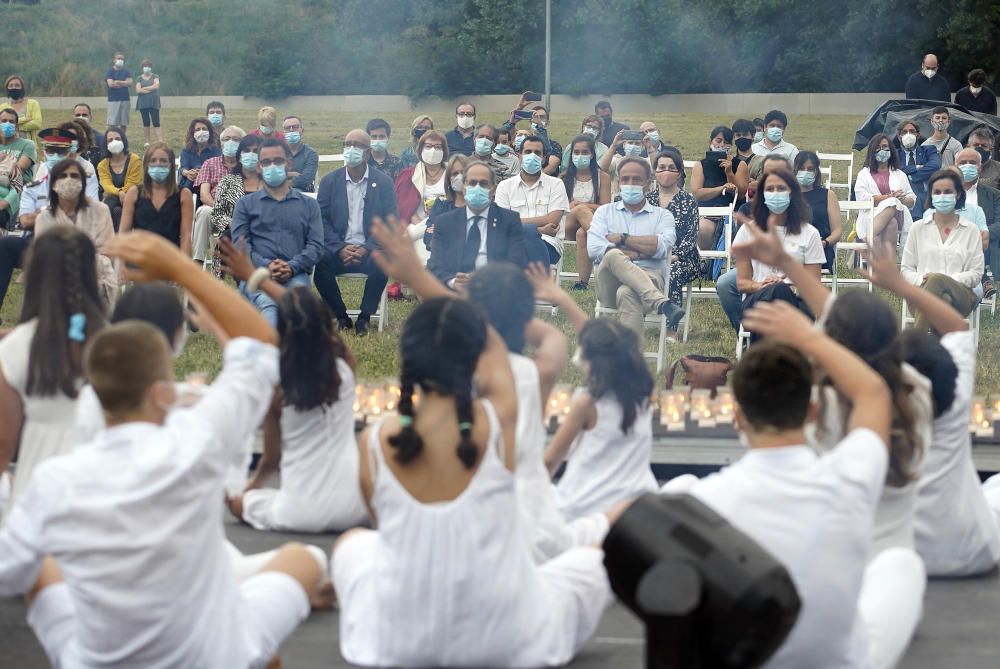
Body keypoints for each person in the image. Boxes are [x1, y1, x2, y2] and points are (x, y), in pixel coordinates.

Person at [0, 230, 327, 668]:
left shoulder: (54, 481)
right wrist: (181, 268)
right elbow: (261, 346)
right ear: (161, 392)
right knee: (304, 560)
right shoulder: (197, 441)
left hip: (95, 658)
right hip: (211, 653)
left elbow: (11, 571)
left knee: (43, 570)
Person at [331, 222, 611, 667]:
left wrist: (432, 286)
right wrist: (513, 305)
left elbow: (384, 526)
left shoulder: (376, 440)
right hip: (509, 605)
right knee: (591, 566)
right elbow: (515, 344)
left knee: (352, 547)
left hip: (401, 636)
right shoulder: (499, 413)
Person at [661, 301, 925, 669]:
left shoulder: (699, 502)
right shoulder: (850, 477)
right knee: (902, 565)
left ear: (737, 417)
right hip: (840, 660)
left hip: (741, 653)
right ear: (812, 411)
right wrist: (809, 337)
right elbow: (873, 392)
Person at [736, 227, 932, 559]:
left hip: (833, 556)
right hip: (896, 556)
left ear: (831, 341)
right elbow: (840, 320)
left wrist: (809, 337)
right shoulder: (917, 390)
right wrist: (786, 261)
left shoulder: (816, 405)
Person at [861, 244, 1000, 577]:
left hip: (901, 558)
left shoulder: (868, 421)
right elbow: (958, 329)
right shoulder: (953, 409)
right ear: (951, 379)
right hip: (973, 552)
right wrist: (903, 285)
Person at [219, 264, 367, 533]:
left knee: (233, 499)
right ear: (324, 325)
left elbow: (270, 462)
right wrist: (260, 279)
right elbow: (312, 319)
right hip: (355, 508)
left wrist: (243, 495)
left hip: (300, 512)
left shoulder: (277, 388)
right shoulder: (344, 369)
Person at [0, 226, 106, 508]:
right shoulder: (114, 345)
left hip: (36, 504)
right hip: (100, 503)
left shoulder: (17, 348)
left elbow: (3, 443)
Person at [547, 318, 657, 521]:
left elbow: (550, 461)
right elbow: (611, 341)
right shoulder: (644, 397)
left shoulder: (587, 404)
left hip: (586, 505)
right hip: (635, 506)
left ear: (593, 362)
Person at [231, 138, 324, 326]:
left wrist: (291, 266)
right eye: (266, 162)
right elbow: (240, 247)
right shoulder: (245, 205)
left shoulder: (309, 205)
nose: (272, 166)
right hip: (256, 275)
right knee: (268, 304)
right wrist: (267, 266)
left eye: (278, 161)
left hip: (296, 275)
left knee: (296, 304)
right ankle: (275, 351)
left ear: (288, 163)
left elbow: (316, 246)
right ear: (259, 167)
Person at [587, 157, 684, 334]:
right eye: (625, 179)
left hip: (651, 277)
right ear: (618, 184)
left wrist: (623, 239)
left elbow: (662, 248)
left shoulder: (663, 216)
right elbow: (594, 248)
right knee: (611, 255)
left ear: (648, 184)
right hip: (609, 283)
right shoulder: (604, 212)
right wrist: (642, 251)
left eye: (637, 179)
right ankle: (660, 302)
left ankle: (630, 358)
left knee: (627, 292)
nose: (630, 184)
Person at [315, 129, 397, 336]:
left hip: (369, 250)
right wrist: (339, 247)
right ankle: (341, 316)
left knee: (382, 261)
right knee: (318, 262)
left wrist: (367, 248)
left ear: (368, 152)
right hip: (337, 249)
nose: (351, 149)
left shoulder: (384, 183)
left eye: (357, 145)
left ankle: (364, 317)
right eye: (347, 143)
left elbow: (389, 221)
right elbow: (321, 219)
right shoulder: (329, 182)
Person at [727, 168, 825, 339]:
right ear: (762, 195)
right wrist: (763, 286)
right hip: (758, 298)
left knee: (779, 292)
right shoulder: (748, 230)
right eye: (770, 189)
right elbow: (742, 283)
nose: (776, 193)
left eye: (781, 189)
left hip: (797, 302)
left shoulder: (810, 233)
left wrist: (786, 287)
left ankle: (763, 359)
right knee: (774, 293)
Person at [902, 169, 984, 330]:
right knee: (943, 299)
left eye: (948, 192)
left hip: (961, 296)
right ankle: (937, 346)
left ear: (958, 194)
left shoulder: (971, 230)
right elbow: (906, 269)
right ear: (931, 196)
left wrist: (945, 280)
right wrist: (922, 280)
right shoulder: (918, 228)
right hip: (921, 294)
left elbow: (976, 273)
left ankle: (915, 343)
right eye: (937, 192)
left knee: (938, 281)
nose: (942, 196)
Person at [427, 161, 528, 289]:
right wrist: (453, 282)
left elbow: (517, 263)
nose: (477, 188)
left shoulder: (509, 220)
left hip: (495, 291)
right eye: (472, 183)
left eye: (484, 184)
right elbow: (435, 265)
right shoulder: (445, 222)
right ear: (463, 187)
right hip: (454, 294)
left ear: (493, 189)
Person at [35, 158, 117, 303]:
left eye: (74, 176)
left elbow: (107, 251)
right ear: (53, 184)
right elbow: (43, 256)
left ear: (82, 183)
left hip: (96, 281)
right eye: (63, 176)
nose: (68, 180)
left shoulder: (100, 211)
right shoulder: (44, 218)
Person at [495, 135, 570, 266]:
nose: (532, 156)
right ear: (519, 156)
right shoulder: (505, 186)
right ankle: (538, 283)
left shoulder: (556, 184)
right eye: (528, 152)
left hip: (548, 244)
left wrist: (515, 223)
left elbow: (553, 220)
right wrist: (539, 230)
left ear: (544, 158)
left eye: (537, 153)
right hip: (512, 242)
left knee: (521, 248)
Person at [649, 148, 701, 314]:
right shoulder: (647, 200)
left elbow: (691, 236)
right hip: (651, 255)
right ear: (655, 171)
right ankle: (637, 318)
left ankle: (671, 327)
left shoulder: (688, 201)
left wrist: (673, 256)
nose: (666, 172)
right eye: (661, 167)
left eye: (671, 168)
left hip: (683, 258)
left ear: (679, 173)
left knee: (672, 271)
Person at [120, 142, 194, 257]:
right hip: (139, 260)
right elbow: (124, 234)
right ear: (146, 165)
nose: (158, 164)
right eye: (153, 160)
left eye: (163, 161)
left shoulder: (184, 195)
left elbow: (186, 236)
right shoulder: (134, 193)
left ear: (170, 165)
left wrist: (184, 268)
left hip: (171, 260)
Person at [209, 135, 263, 276]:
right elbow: (217, 215)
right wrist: (234, 224)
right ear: (239, 156)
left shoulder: (269, 183)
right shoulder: (227, 181)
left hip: (265, 233)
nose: (251, 154)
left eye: (256, 151)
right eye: (247, 150)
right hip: (234, 233)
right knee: (226, 238)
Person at [562, 134, 610, 289]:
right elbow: (560, 209)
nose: (580, 156)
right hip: (566, 225)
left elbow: (605, 208)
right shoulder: (563, 178)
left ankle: (582, 283)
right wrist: (581, 207)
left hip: (589, 224)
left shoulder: (602, 177)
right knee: (580, 209)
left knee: (582, 233)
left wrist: (579, 205)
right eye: (576, 152)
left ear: (592, 154)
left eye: (584, 152)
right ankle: (609, 249)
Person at [192, 125, 245, 264]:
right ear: (221, 143)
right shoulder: (209, 163)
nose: (231, 142)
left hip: (240, 212)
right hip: (214, 208)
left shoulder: (248, 166)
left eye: (235, 139)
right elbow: (204, 195)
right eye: (227, 139)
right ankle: (198, 260)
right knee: (204, 212)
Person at [854, 133, 916, 244]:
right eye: (877, 147)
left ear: (891, 150)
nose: (881, 150)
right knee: (891, 223)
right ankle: (888, 260)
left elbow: (912, 200)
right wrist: (888, 197)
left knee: (893, 202)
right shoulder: (864, 174)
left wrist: (901, 199)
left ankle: (869, 238)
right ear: (872, 151)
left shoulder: (900, 174)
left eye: (884, 147)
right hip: (871, 216)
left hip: (898, 215)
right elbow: (862, 198)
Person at [691, 125, 743, 249]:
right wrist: (721, 188)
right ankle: (708, 263)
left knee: (736, 228)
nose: (721, 145)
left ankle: (719, 262)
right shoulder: (700, 165)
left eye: (726, 142)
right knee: (702, 229)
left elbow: (740, 193)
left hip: (732, 211)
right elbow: (697, 193)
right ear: (710, 142)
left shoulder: (740, 164)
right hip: (706, 212)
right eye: (718, 140)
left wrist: (729, 173)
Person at [394, 129, 449, 235]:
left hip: (447, 228)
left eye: (437, 147)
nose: (433, 150)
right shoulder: (407, 175)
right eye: (428, 146)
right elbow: (404, 207)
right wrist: (424, 227)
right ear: (420, 149)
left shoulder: (453, 174)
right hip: (415, 229)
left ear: (444, 150)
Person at [794, 151, 842, 270]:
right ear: (795, 170)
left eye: (810, 169)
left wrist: (824, 243)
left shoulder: (828, 195)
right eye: (801, 168)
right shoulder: (787, 195)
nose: (805, 172)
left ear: (816, 171)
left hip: (820, 248)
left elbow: (837, 231)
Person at [96, 126, 142, 231]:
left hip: (132, 197)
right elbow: (106, 185)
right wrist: (120, 192)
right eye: (110, 140)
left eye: (117, 139)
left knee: (112, 205)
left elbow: (132, 183)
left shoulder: (134, 160)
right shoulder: (102, 165)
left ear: (123, 140)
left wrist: (122, 193)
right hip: (113, 200)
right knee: (116, 210)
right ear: (106, 144)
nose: (114, 142)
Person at [896, 120, 941, 219]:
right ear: (899, 136)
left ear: (918, 135)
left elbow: (934, 166)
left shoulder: (929, 150)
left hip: (927, 195)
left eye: (912, 131)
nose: (908, 135)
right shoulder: (895, 155)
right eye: (904, 132)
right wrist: (915, 167)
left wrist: (910, 176)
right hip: (904, 198)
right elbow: (895, 171)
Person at [178, 117, 221, 191]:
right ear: (193, 133)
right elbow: (183, 167)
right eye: (197, 130)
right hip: (190, 181)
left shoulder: (216, 151)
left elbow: (217, 169)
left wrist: (202, 172)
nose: (201, 132)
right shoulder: (186, 151)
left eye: (204, 129)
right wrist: (188, 173)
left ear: (210, 132)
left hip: (209, 184)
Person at [0, 107, 37, 182]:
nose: (7, 124)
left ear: (16, 127)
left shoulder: (27, 144)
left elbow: (19, 169)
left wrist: (5, 159)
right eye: (4, 121)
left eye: (11, 121)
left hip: (20, 190)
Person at [282, 115, 317, 193]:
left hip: (303, 195)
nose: (291, 130)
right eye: (287, 128)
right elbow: (273, 175)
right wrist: (295, 174)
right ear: (283, 132)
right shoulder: (277, 152)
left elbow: (307, 178)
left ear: (302, 130)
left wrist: (282, 184)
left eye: (295, 127)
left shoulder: (311, 154)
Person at [4, 75, 41, 142]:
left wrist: (13, 126)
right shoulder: (3, 107)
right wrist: (25, 119)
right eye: (11, 85)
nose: (14, 87)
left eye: (17, 85)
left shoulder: (33, 103)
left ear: (22, 88)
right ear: (7, 89)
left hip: (29, 147)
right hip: (9, 147)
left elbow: (37, 123)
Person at [134, 59, 162, 146]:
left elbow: (156, 86)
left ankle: (160, 141)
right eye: (145, 66)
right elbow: (138, 90)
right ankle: (147, 141)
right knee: (146, 122)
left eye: (149, 66)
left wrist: (145, 88)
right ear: (142, 68)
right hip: (143, 103)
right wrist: (151, 88)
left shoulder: (155, 76)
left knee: (156, 122)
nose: (147, 68)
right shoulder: (139, 78)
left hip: (154, 102)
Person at [104, 52, 132, 131]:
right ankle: (109, 138)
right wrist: (124, 83)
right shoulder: (110, 71)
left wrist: (118, 82)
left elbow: (129, 83)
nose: (120, 60)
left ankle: (122, 138)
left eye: (122, 59)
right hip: (113, 100)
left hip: (125, 99)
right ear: (114, 60)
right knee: (112, 123)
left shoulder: (126, 72)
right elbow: (111, 84)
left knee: (124, 123)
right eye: (118, 58)